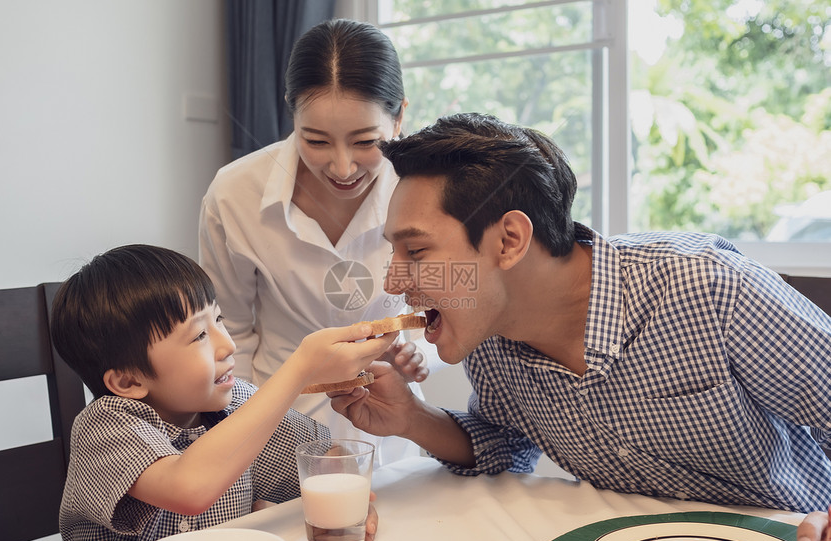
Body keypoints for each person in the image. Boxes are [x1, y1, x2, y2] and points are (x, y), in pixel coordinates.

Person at [329, 112, 831, 514]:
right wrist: (413, 417)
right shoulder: (489, 337)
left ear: (509, 241)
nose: (393, 282)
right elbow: (506, 447)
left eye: (415, 253)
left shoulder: (708, 288)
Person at [51, 244, 392, 541]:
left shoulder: (239, 403)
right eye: (200, 335)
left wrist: (346, 499)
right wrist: (299, 369)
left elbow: (323, 459)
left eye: (219, 319)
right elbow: (188, 487)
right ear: (128, 383)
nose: (227, 344)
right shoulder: (104, 427)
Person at [199, 18, 435, 466]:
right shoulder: (235, 194)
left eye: (366, 141)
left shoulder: (425, 190)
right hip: (280, 438)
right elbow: (230, 333)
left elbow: (445, 308)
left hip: (394, 437)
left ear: (400, 115)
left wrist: (418, 352)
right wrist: (245, 448)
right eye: (317, 140)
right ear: (292, 114)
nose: (342, 168)